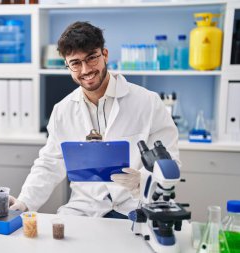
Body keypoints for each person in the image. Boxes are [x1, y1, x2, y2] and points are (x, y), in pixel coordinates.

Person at [9, 21, 179, 218]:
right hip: (84, 208)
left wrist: (142, 181)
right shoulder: (62, 111)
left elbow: (171, 162)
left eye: (91, 58)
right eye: (75, 63)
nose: (85, 70)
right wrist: (24, 201)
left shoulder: (147, 102)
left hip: (135, 205)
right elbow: (50, 163)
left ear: (104, 54)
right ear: (67, 65)